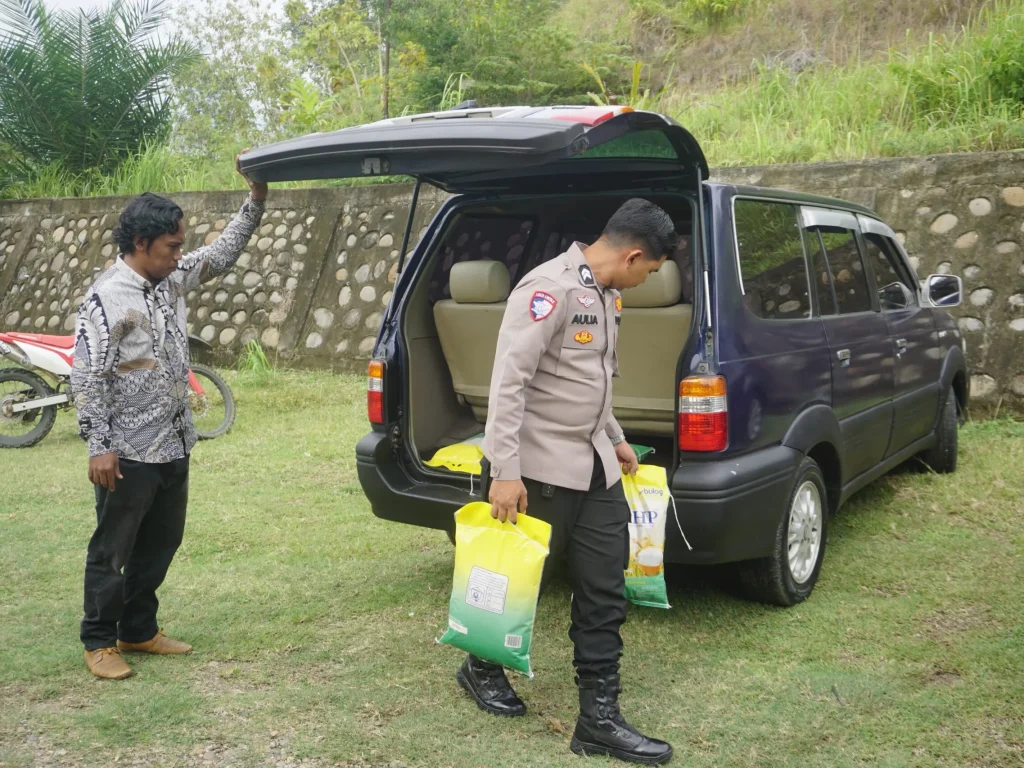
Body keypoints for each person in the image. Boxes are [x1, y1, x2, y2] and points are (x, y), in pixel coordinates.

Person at [460, 198, 679, 765]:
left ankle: (598, 721)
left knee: (604, 591)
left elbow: (590, 379)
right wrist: (504, 472)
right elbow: (510, 381)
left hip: (595, 468)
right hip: (537, 471)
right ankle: (480, 664)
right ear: (632, 255)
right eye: (648, 271)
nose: (642, 281)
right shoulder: (547, 289)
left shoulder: (606, 294)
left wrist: (617, 435)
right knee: (518, 582)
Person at [72, 153, 269, 680]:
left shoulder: (171, 279)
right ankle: (98, 641)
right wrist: (99, 445)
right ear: (142, 245)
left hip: (174, 442)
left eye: (181, 246)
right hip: (127, 451)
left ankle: (137, 630)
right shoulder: (106, 300)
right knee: (113, 548)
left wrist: (256, 201)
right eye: (172, 246)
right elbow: (88, 376)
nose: (181, 254)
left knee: (162, 542)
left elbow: (221, 255)